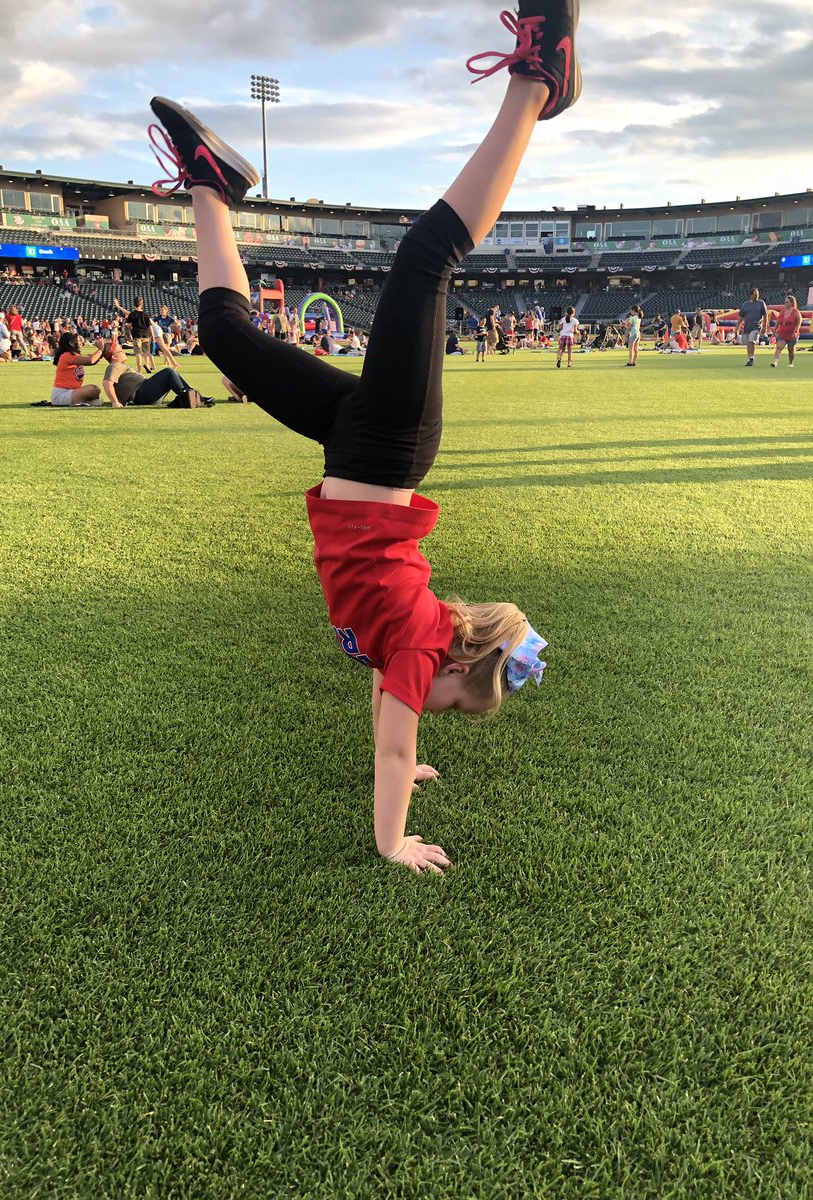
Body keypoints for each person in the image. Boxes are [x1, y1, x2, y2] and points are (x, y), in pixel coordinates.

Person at [145, 0, 580, 875]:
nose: (430, 709)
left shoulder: (409, 646)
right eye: (450, 704)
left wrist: (410, 761)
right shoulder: (420, 648)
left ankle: (211, 185)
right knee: (424, 258)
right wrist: (393, 841)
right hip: (386, 448)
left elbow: (394, 728)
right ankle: (540, 83)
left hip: (351, 445)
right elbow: (389, 742)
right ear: (456, 664)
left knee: (226, 341)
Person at [101, 342, 214, 407]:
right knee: (169, 372)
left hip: (146, 392)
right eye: (120, 351)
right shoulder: (114, 365)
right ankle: (192, 398)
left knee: (172, 374)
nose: (123, 352)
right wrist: (115, 402)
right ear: (114, 357)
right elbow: (107, 382)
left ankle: (194, 397)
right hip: (142, 393)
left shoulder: (119, 366)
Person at [42, 331, 105, 406]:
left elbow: (93, 361)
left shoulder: (74, 355)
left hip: (71, 392)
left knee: (97, 397)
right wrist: (101, 349)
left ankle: (81, 403)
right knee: (94, 390)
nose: (81, 342)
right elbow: (90, 361)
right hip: (62, 394)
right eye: (78, 340)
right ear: (71, 343)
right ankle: (81, 402)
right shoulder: (67, 355)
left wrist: (101, 352)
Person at [113, 295, 155, 373]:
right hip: (146, 335)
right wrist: (152, 336)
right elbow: (150, 326)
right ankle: (147, 365)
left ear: (133, 305)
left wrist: (126, 324)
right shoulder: (146, 314)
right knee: (146, 352)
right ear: (142, 304)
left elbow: (129, 325)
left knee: (138, 352)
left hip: (137, 335)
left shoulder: (132, 314)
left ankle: (139, 369)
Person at [736, 287, 768, 366]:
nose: (757, 296)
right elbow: (740, 317)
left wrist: (764, 326)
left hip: (756, 326)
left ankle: (752, 358)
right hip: (747, 327)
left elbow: (765, 315)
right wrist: (737, 327)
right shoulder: (745, 305)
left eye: (758, 294)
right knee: (748, 343)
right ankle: (750, 358)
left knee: (752, 341)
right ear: (751, 295)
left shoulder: (761, 303)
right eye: (755, 294)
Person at [771, 294, 802, 369]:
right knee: (779, 347)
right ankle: (775, 362)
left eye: (787, 302)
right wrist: (774, 331)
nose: (785, 304)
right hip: (782, 333)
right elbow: (778, 321)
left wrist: (796, 330)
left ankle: (790, 363)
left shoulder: (796, 312)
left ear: (792, 303)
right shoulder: (782, 311)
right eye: (785, 302)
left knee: (790, 349)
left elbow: (799, 322)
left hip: (792, 334)